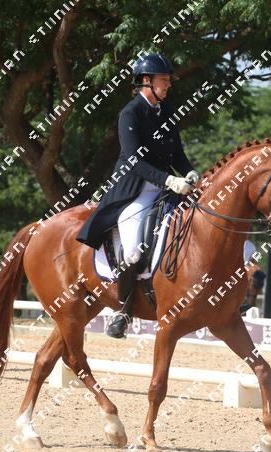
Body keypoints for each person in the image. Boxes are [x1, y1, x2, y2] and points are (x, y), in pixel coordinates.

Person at [75, 53, 198, 338]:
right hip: (134, 190)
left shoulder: (166, 112)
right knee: (133, 248)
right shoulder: (130, 114)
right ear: (146, 81)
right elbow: (133, 161)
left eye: (168, 80)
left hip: (166, 188)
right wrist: (169, 179)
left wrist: (191, 173)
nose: (168, 84)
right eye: (163, 79)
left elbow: (177, 154)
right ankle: (123, 309)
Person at [240, 240, 265, 314]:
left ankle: (249, 304)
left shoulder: (250, 245)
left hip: (246, 272)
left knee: (258, 276)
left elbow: (253, 261)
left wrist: (253, 269)